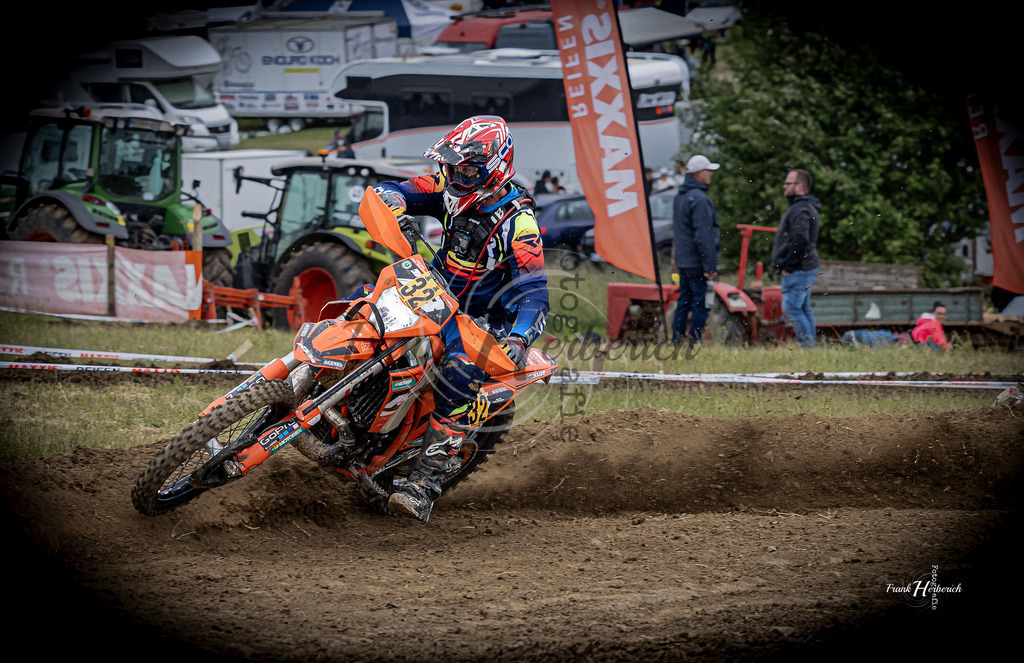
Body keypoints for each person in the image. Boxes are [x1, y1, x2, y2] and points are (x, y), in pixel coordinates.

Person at [371, 115, 549, 522]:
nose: (457, 174)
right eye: (452, 166)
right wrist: (395, 206)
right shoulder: (446, 187)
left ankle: (423, 484)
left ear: (495, 166)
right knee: (362, 304)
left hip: (485, 319)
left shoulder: (518, 225)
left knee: (458, 373)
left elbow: (535, 293)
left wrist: (520, 338)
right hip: (435, 290)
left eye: (468, 168)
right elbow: (392, 189)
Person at [671, 154, 721, 347]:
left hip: (683, 260)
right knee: (701, 303)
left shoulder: (680, 197)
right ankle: (694, 343)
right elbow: (704, 235)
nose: (710, 175)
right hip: (697, 262)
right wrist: (710, 265)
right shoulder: (699, 199)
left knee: (683, 302)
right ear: (700, 174)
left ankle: (676, 342)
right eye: (709, 171)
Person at [771, 168, 822, 349]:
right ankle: (811, 348)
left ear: (799, 186)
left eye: (788, 183)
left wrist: (788, 265)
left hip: (798, 269)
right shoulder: (804, 207)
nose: (784, 187)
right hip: (805, 267)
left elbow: (800, 241)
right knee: (803, 308)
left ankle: (808, 349)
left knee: (792, 308)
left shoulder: (800, 210)